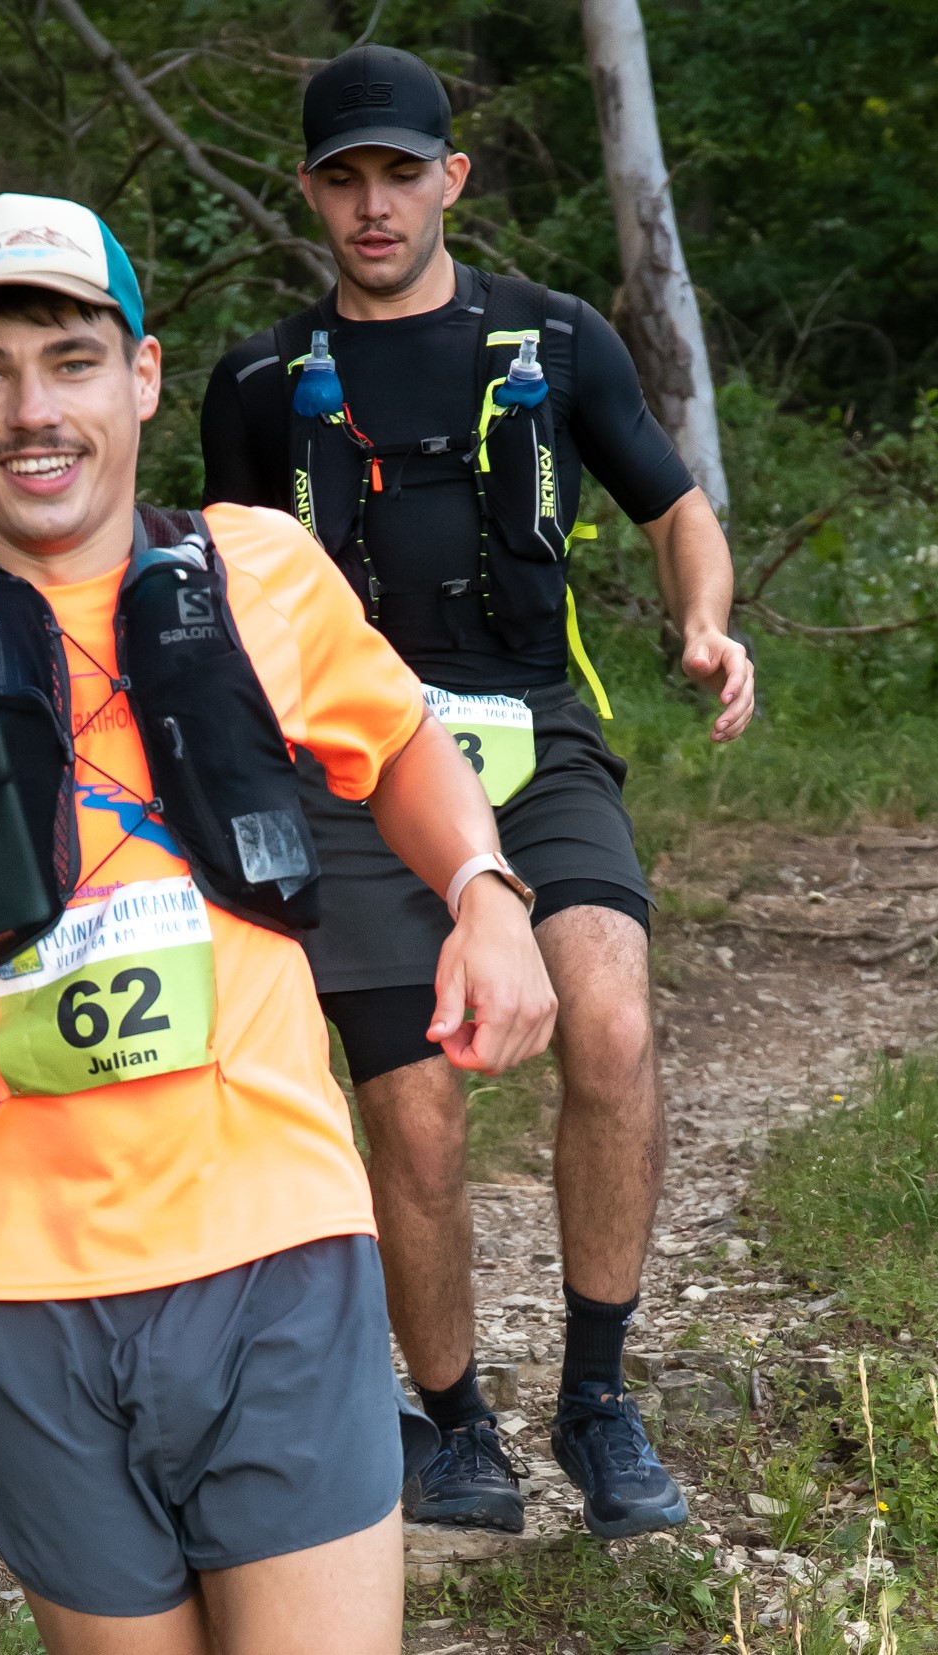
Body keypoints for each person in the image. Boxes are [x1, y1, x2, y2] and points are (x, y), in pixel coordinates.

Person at [0, 191, 557, 1655]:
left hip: (279, 1246)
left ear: (143, 376)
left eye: (71, 359)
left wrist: (487, 893)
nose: (35, 410)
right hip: (16, 1291)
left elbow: (405, 748)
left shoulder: (263, 571)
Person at [200, 47, 754, 1541]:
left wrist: (705, 620)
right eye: (342, 177)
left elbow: (676, 509)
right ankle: (454, 1426)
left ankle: (599, 1399)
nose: (373, 205)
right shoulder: (258, 383)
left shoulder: (556, 340)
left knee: (614, 1019)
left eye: (400, 172)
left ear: (453, 178)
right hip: (350, 766)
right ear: (309, 192)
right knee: (422, 1112)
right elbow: (219, 598)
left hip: (535, 733)